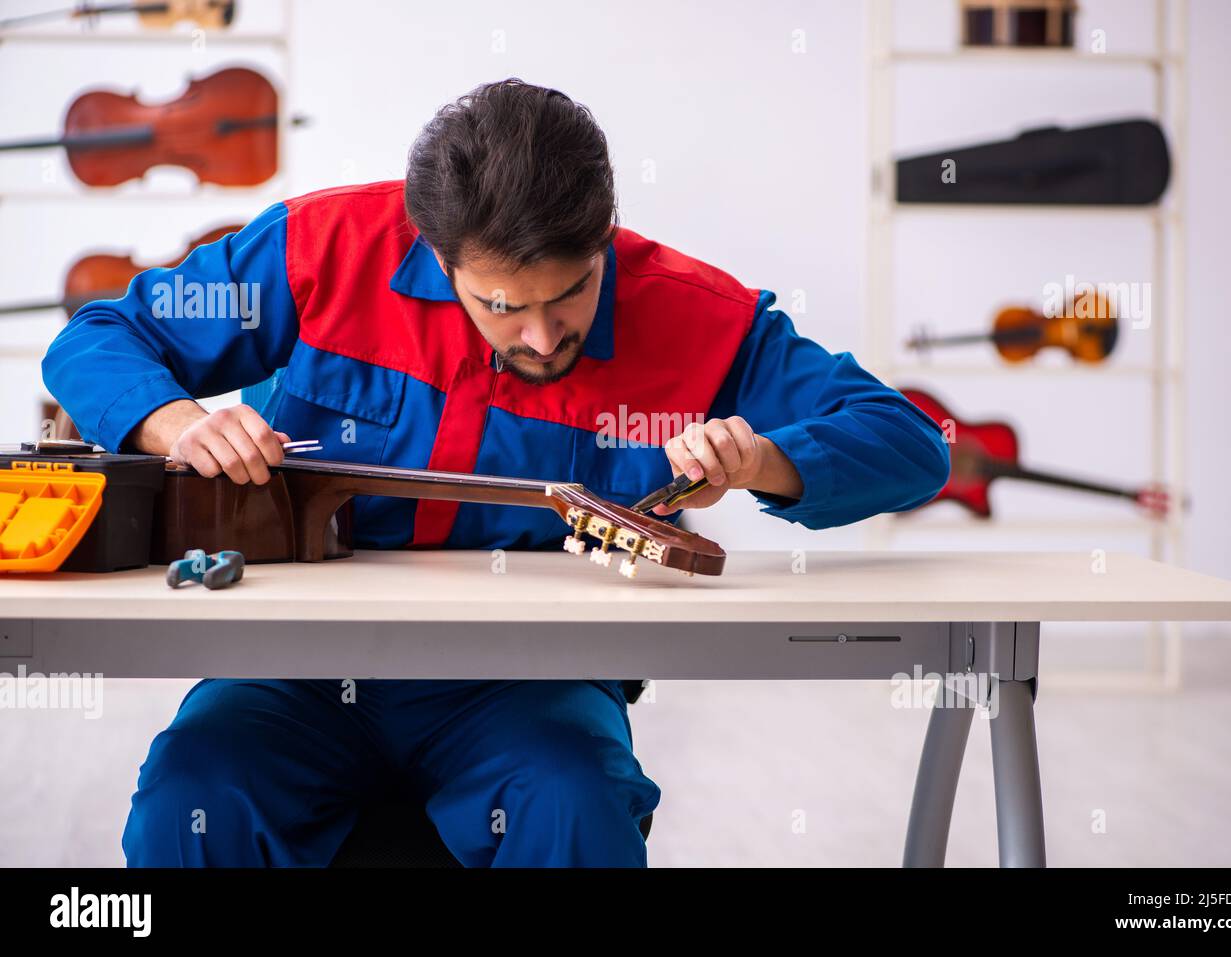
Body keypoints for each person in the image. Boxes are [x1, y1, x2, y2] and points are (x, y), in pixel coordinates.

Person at [42, 78, 951, 867]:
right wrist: (177, 423)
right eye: (503, 307)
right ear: (436, 253)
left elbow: (912, 442)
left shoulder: (697, 315)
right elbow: (98, 337)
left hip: (530, 681)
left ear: (608, 236)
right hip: (297, 667)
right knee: (190, 800)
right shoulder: (322, 248)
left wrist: (769, 459)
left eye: (572, 295)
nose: (543, 338)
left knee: (576, 799)